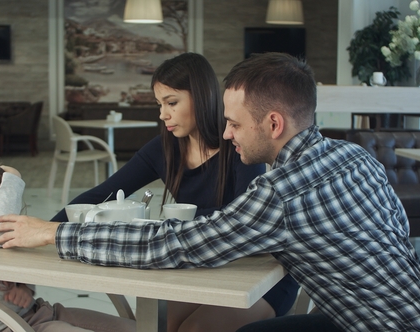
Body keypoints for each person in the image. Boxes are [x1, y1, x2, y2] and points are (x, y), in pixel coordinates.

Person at [0, 52, 420, 331]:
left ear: (274, 124)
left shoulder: (281, 192)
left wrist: (55, 235)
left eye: (234, 124)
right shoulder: (355, 156)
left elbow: (175, 243)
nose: (228, 134)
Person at [51, 52, 299, 332]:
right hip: (201, 264)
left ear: (201, 97)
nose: (163, 114)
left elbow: (241, 218)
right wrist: (44, 230)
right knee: (159, 324)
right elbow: (102, 195)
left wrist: (160, 227)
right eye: (159, 104)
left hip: (258, 274)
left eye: (171, 102)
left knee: (194, 329)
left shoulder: (239, 145)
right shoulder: (164, 147)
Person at [0, 162, 135, 332]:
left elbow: (14, 261)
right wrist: (12, 177)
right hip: (8, 327)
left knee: (133, 328)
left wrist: (24, 288)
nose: (2, 240)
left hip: (39, 313)